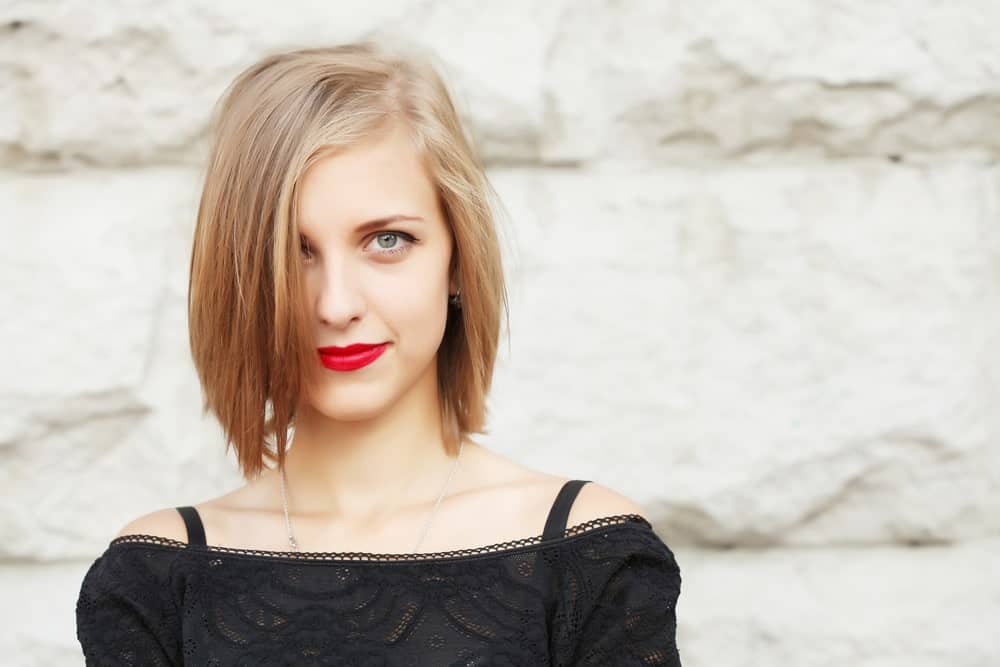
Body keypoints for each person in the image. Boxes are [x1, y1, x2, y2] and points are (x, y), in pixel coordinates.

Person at [74, 40, 682, 665]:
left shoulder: (591, 555)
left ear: (457, 257)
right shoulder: (157, 576)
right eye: (293, 252)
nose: (335, 305)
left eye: (387, 240)